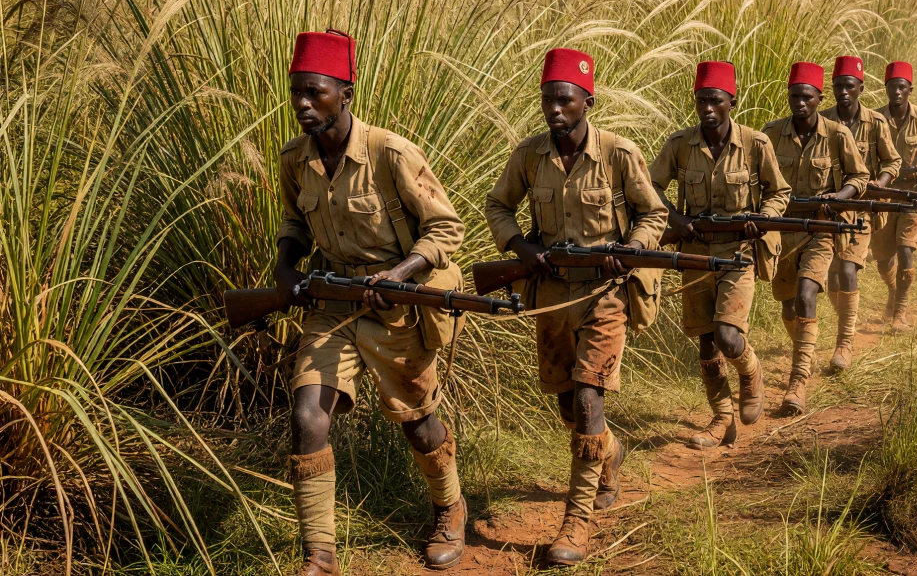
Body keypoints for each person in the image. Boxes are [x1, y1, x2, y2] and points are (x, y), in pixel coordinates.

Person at [274, 30, 469, 574]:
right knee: (308, 416)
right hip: (331, 303)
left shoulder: (390, 153)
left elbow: (445, 227)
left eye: (314, 92)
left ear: (346, 92)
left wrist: (400, 273)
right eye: (295, 93)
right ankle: (321, 553)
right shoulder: (294, 158)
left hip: (396, 309)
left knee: (418, 423)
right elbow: (294, 220)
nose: (302, 104)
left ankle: (449, 507)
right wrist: (287, 266)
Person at [484, 47, 668, 567]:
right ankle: (609, 452)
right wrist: (520, 249)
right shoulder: (528, 155)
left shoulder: (618, 154)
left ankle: (576, 521)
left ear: (588, 100)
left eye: (565, 100)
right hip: (550, 298)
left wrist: (630, 249)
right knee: (568, 406)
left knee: (589, 400)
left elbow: (652, 213)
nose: (554, 110)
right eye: (547, 100)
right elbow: (499, 205)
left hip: (603, 295)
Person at [650, 61, 790, 449]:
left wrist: (763, 219)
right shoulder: (680, 144)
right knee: (707, 342)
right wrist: (675, 219)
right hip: (694, 254)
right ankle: (721, 421)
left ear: (732, 101)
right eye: (701, 101)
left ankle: (751, 371)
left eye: (715, 101)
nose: (707, 109)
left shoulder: (756, 144)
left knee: (729, 336)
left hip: (737, 253)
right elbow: (649, 187)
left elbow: (780, 193)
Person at [761, 62, 869, 415]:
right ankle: (805, 350)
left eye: (807, 97)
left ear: (819, 98)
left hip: (821, 230)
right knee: (789, 307)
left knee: (808, 293)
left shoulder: (837, 134)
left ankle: (798, 381)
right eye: (794, 96)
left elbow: (859, 175)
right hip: (783, 231)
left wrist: (839, 199)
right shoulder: (771, 134)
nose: (800, 103)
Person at [819, 56, 900, 372]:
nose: (843, 92)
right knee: (831, 277)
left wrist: (878, 184)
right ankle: (848, 322)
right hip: (829, 211)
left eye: (849, 86)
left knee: (849, 270)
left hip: (862, 210)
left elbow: (892, 162)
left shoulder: (875, 123)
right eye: (838, 86)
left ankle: (844, 344)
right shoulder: (823, 121)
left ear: (861, 88)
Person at [874, 60, 917, 331]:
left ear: (910, 89)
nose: (897, 92)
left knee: (906, 251)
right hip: (886, 195)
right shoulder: (876, 118)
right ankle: (893, 290)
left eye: (902, 87)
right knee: (882, 259)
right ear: (886, 88)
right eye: (892, 87)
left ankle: (900, 312)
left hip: (913, 194)